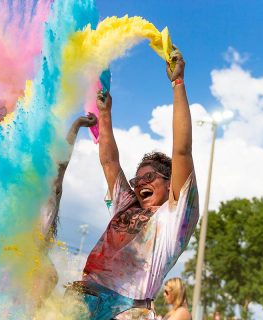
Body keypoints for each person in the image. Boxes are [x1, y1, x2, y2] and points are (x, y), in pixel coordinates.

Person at [68, 47, 199, 320]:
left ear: (168, 183)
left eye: (148, 177)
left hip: (128, 311)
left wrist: (178, 83)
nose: (140, 184)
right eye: (137, 179)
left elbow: (182, 151)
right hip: (83, 303)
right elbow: (109, 163)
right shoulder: (127, 204)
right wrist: (105, 114)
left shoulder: (173, 219)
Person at [0, 113, 98, 319]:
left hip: (14, 291)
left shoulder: (47, 198)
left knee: (47, 276)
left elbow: (62, 165)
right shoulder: (7, 194)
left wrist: (76, 125)